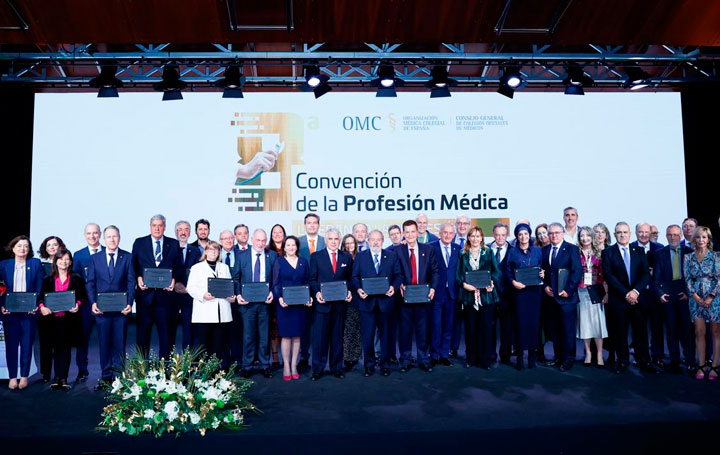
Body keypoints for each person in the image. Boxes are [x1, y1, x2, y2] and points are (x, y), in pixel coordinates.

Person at [601, 222, 657, 374]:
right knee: (620, 332)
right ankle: (622, 361)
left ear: (630, 234)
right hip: (619, 300)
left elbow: (646, 274)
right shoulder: (608, 252)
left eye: (625, 232)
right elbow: (609, 276)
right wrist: (626, 293)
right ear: (614, 235)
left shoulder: (639, 251)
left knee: (641, 332)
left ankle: (644, 360)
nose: (622, 235)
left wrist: (635, 292)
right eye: (619, 232)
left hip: (638, 299)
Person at [87, 225, 135, 390]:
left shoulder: (127, 257)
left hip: (121, 311)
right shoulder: (95, 258)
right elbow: (91, 282)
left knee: (119, 344)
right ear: (104, 239)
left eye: (115, 236)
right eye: (109, 237)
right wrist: (93, 302)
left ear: (119, 238)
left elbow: (131, 282)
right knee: (104, 343)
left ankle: (119, 377)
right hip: (102, 310)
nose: (112, 239)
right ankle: (106, 377)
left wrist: (130, 303)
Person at [131, 214, 183, 359]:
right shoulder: (139, 243)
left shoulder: (173, 244)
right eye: (154, 225)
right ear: (150, 227)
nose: (157, 228)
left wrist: (174, 279)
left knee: (166, 336)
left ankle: (165, 369)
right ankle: (142, 369)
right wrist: (138, 277)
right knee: (142, 336)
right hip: (145, 297)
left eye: (160, 225)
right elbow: (133, 266)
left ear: (164, 227)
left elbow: (179, 267)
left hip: (166, 299)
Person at [352, 230, 402, 376]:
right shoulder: (361, 257)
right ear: (368, 241)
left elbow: (398, 276)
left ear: (382, 241)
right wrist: (359, 289)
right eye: (372, 240)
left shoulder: (391, 256)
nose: (375, 242)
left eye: (378, 239)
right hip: (366, 303)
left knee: (386, 335)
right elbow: (354, 277)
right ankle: (369, 365)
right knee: (367, 336)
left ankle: (385, 364)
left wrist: (393, 287)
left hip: (386, 303)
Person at [38, 247, 86, 390]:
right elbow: (41, 297)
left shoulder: (76, 278)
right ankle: (56, 378)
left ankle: (63, 378)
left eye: (67, 260)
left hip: (69, 320)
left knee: (65, 350)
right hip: (51, 321)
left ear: (70, 262)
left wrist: (77, 304)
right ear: (56, 261)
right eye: (61, 259)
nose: (64, 262)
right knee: (54, 349)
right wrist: (42, 307)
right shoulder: (48, 279)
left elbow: (83, 297)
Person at [0, 236, 44, 390]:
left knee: (26, 344)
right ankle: (13, 377)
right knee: (11, 345)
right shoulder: (4, 265)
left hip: (29, 312)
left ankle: (24, 376)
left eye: (26, 246)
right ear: (13, 248)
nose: (22, 249)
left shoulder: (35, 263)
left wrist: (35, 304)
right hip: (10, 312)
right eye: (19, 246)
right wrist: (2, 305)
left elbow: (39, 286)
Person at [395, 220, 439, 373]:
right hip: (405, 297)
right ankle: (405, 359)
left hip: (423, 296)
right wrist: (399, 283)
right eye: (406, 232)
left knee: (423, 329)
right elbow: (396, 272)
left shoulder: (428, 249)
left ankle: (423, 359)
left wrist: (433, 288)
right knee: (405, 330)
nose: (410, 235)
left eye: (412, 231)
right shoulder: (397, 251)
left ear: (417, 232)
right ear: (403, 234)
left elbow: (435, 271)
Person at [309, 228, 353, 380]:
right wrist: (316, 293)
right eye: (330, 239)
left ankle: (337, 368)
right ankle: (318, 369)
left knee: (337, 338)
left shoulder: (346, 257)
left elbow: (351, 279)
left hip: (340, 305)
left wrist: (349, 291)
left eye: (336, 239)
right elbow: (312, 279)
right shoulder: (316, 257)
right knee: (320, 339)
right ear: (325, 240)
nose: (333, 242)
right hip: (322, 305)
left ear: (339, 240)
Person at [456, 226, 501, 369]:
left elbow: (496, 272)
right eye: (472, 236)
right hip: (469, 298)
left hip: (487, 297)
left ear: (482, 238)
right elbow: (459, 276)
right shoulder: (462, 254)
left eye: (477, 236)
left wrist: (491, 282)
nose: (475, 239)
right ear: (468, 238)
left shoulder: (489, 252)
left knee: (486, 329)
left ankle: (485, 360)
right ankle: (471, 359)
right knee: (471, 329)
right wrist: (465, 285)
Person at [186, 241, 235, 368]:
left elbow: (229, 287)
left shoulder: (224, 268)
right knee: (203, 348)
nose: (213, 252)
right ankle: (204, 378)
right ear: (205, 252)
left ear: (219, 252)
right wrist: (203, 295)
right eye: (210, 249)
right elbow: (190, 288)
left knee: (218, 348)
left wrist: (232, 297)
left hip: (221, 314)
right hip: (204, 313)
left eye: (216, 249)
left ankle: (215, 377)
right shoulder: (197, 268)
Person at [542, 223, 582, 372]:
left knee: (567, 331)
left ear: (563, 233)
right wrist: (545, 286)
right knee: (555, 331)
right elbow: (542, 272)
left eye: (557, 233)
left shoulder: (571, 249)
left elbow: (576, 272)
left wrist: (568, 290)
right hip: (550, 298)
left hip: (567, 298)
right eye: (551, 233)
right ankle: (558, 357)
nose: (553, 236)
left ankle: (568, 359)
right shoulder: (544, 250)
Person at [653, 224, 694, 373]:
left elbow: (693, 276)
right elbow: (656, 278)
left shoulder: (690, 252)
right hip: (668, 295)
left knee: (687, 330)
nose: (673, 237)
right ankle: (674, 361)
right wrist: (659, 294)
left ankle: (690, 360)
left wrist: (688, 292)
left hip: (684, 294)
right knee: (671, 329)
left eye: (676, 235)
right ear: (666, 236)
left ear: (681, 236)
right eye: (670, 235)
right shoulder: (660, 253)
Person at [236, 229, 276, 379]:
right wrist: (238, 294)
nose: (260, 243)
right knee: (248, 336)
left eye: (263, 241)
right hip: (247, 303)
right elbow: (236, 278)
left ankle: (265, 365)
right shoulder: (241, 256)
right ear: (252, 239)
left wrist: (273, 291)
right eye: (258, 240)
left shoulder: (271, 255)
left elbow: (275, 279)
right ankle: (247, 365)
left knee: (264, 335)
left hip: (265, 302)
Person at [272, 236, 313, 380]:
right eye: (287, 245)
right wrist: (280, 298)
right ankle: (286, 366)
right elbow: (275, 283)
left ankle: (294, 365)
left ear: (297, 247)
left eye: (293, 245)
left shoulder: (303, 262)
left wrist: (309, 297)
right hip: (285, 304)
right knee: (286, 336)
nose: (290, 247)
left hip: (300, 305)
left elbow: (307, 281)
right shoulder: (279, 262)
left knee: (297, 336)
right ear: (284, 247)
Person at [683, 226, 720, 380]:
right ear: (694, 239)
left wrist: (711, 295)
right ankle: (701, 365)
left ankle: (715, 366)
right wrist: (695, 296)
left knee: (716, 332)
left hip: (714, 297)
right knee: (699, 332)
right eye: (698, 237)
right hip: (695, 297)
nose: (701, 240)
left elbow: (719, 278)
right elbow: (687, 279)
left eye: (704, 237)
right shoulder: (688, 257)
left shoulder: (716, 256)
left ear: (708, 239)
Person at [507, 223, 544, 370]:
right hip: (519, 293)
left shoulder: (537, 251)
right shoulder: (512, 252)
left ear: (530, 236)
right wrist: (513, 282)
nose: (523, 237)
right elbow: (508, 272)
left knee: (533, 324)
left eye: (526, 234)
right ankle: (520, 357)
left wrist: (542, 273)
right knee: (520, 324)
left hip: (534, 293)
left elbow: (541, 267)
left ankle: (532, 357)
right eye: (520, 234)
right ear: (517, 236)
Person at [72, 223, 104, 383]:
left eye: (95, 233)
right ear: (85, 235)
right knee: (82, 338)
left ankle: (109, 371)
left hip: (106, 304)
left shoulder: (108, 251)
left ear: (100, 234)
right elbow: (76, 282)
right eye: (89, 233)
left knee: (106, 339)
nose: (92, 236)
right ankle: (82, 370)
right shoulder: (78, 255)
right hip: (85, 305)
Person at [631, 222, 665, 367]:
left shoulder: (659, 248)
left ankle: (658, 356)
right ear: (636, 232)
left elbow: (663, 271)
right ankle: (641, 357)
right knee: (639, 329)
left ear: (650, 233)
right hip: (638, 295)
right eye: (641, 232)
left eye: (646, 232)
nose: (644, 235)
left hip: (655, 295)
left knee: (657, 328)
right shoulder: (630, 247)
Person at [575, 226, 608, 367]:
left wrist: (606, 294)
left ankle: (599, 354)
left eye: (588, 235)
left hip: (596, 291)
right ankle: (588, 353)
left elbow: (605, 275)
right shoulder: (575, 253)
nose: (585, 238)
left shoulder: (600, 253)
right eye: (582, 236)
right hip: (581, 291)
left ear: (592, 237)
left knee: (598, 324)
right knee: (585, 323)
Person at [430, 222, 460, 366]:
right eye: (445, 233)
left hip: (452, 294)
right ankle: (434, 355)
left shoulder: (458, 248)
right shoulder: (431, 247)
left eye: (450, 233)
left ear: (453, 235)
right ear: (440, 234)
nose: (447, 235)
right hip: (437, 292)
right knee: (436, 325)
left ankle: (444, 354)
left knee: (448, 326)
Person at [36, 235, 66, 383]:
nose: (52, 247)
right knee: (45, 344)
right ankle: (46, 374)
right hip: (45, 312)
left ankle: (60, 375)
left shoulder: (66, 264)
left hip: (63, 312)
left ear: (61, 247)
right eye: (49, 245)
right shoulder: (41, 265)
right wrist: (41, 306)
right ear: (45, 249)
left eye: (55, 244)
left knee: (61, 345)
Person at [297, 214, 324, 369]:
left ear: (319, 225)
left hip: (321, 291)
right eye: (309, 223)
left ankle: (319, 357)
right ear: (305, 225)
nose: (312, 225)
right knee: (305, 326)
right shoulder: (297, 242)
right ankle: (304, 357)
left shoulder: (324, 241)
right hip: (302, 290)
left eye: (315, 223)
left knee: (319, 327)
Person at [171, 221, 201, 350]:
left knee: (189, 329)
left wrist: (188, 288)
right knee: (169, 330)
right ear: (175, 232)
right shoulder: (169, 248)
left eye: (186, 229)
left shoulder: (195, 251)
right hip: (171, 294)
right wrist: (175, 283)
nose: (183, 232)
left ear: (190, 232)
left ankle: (188, 361)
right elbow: (166, 268)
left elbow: (198, 272)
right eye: (180, 229)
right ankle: (168, 362)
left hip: (189, 296)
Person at [488, 221, 513, 365]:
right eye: (497, 235)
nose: (500, 238)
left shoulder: (513, 250)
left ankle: (505, 356)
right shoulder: (486, 250)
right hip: (490, 296)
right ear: (493, 235)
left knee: (507, 328)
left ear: (507, 235)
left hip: (507, 297)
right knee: (489, 327)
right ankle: (491, 355)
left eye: (503, 235)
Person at [341, 234, 362, 370]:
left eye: (352, 243)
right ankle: (347, 357)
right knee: (348, 329)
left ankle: (356, 356)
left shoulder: (361, 257)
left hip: (359, 296)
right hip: (346, 296)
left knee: (357, 328)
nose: (349, 245)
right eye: (347, 243)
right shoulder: (342, 258)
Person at [266, 223, 285, 364]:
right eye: (274, 232)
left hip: (287, 293)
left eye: (280, 232)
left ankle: (287, 356)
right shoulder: (267, 250)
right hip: (271, 293)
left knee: (284, 325)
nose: (277, 235)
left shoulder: (290, 248)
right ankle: (275, 356)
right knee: (272, 327)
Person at [534, 223, 551, 361]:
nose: (542, 235)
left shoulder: (558, 247)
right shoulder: (536, 250)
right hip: (541, 291)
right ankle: (540, 351)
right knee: (541, 323)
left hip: (556, 291)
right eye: (539, 233)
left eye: (544, 232)